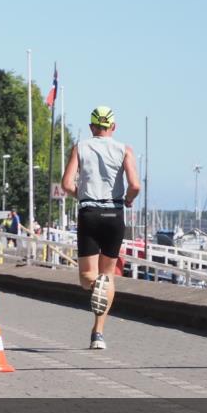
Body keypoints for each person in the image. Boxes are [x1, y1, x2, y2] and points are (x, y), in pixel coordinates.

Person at [61, 105, 141, 350]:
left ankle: (97, 287)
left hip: (90, 214)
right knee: (108, 275)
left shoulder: (80, 147)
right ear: (113, 127)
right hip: (114, 214)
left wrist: (82, 194)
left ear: (91, 127)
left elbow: (66, 184)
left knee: (87, 278)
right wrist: (128, 199)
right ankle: (98, 333)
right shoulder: (125, 150)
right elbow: (135, 185)